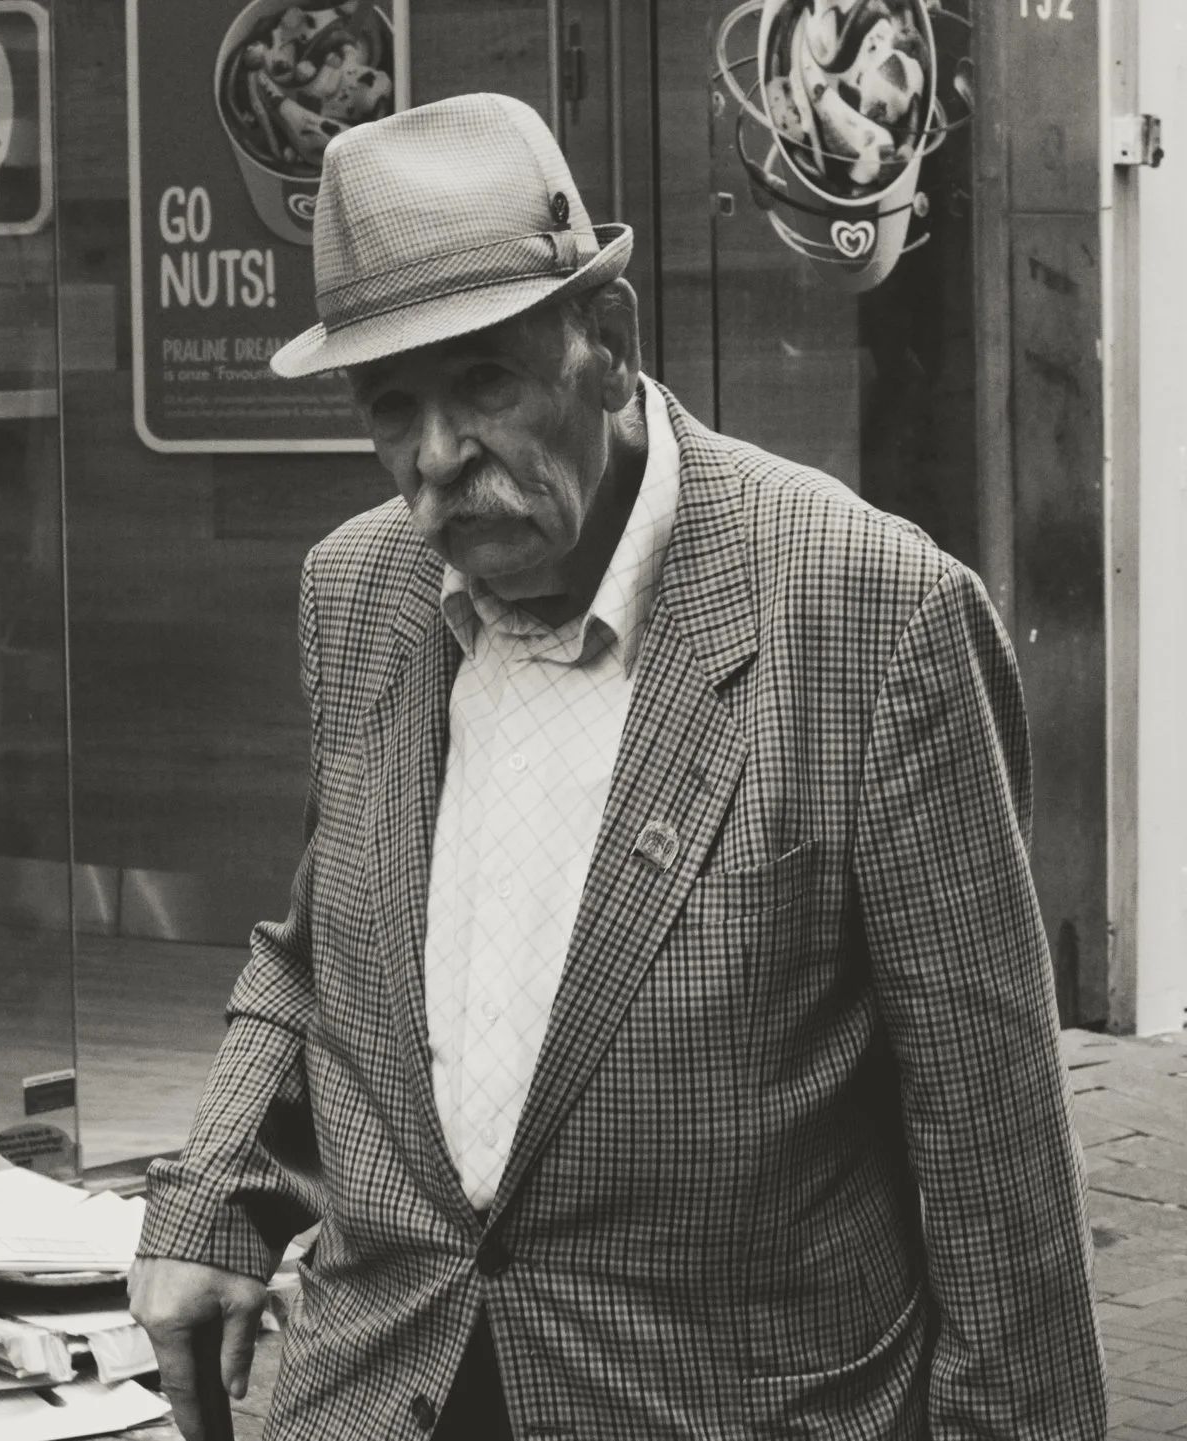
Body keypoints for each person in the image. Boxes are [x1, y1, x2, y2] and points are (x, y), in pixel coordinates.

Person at [129, 93, 1104, 1440]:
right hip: (387, 1387)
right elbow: (321, 955)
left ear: (608, 342)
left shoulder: (871, 616)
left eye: (483, 385)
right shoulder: (359, 592)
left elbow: (991, 1139)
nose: (435, 465)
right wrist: (214, 1207)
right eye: (388, 407)